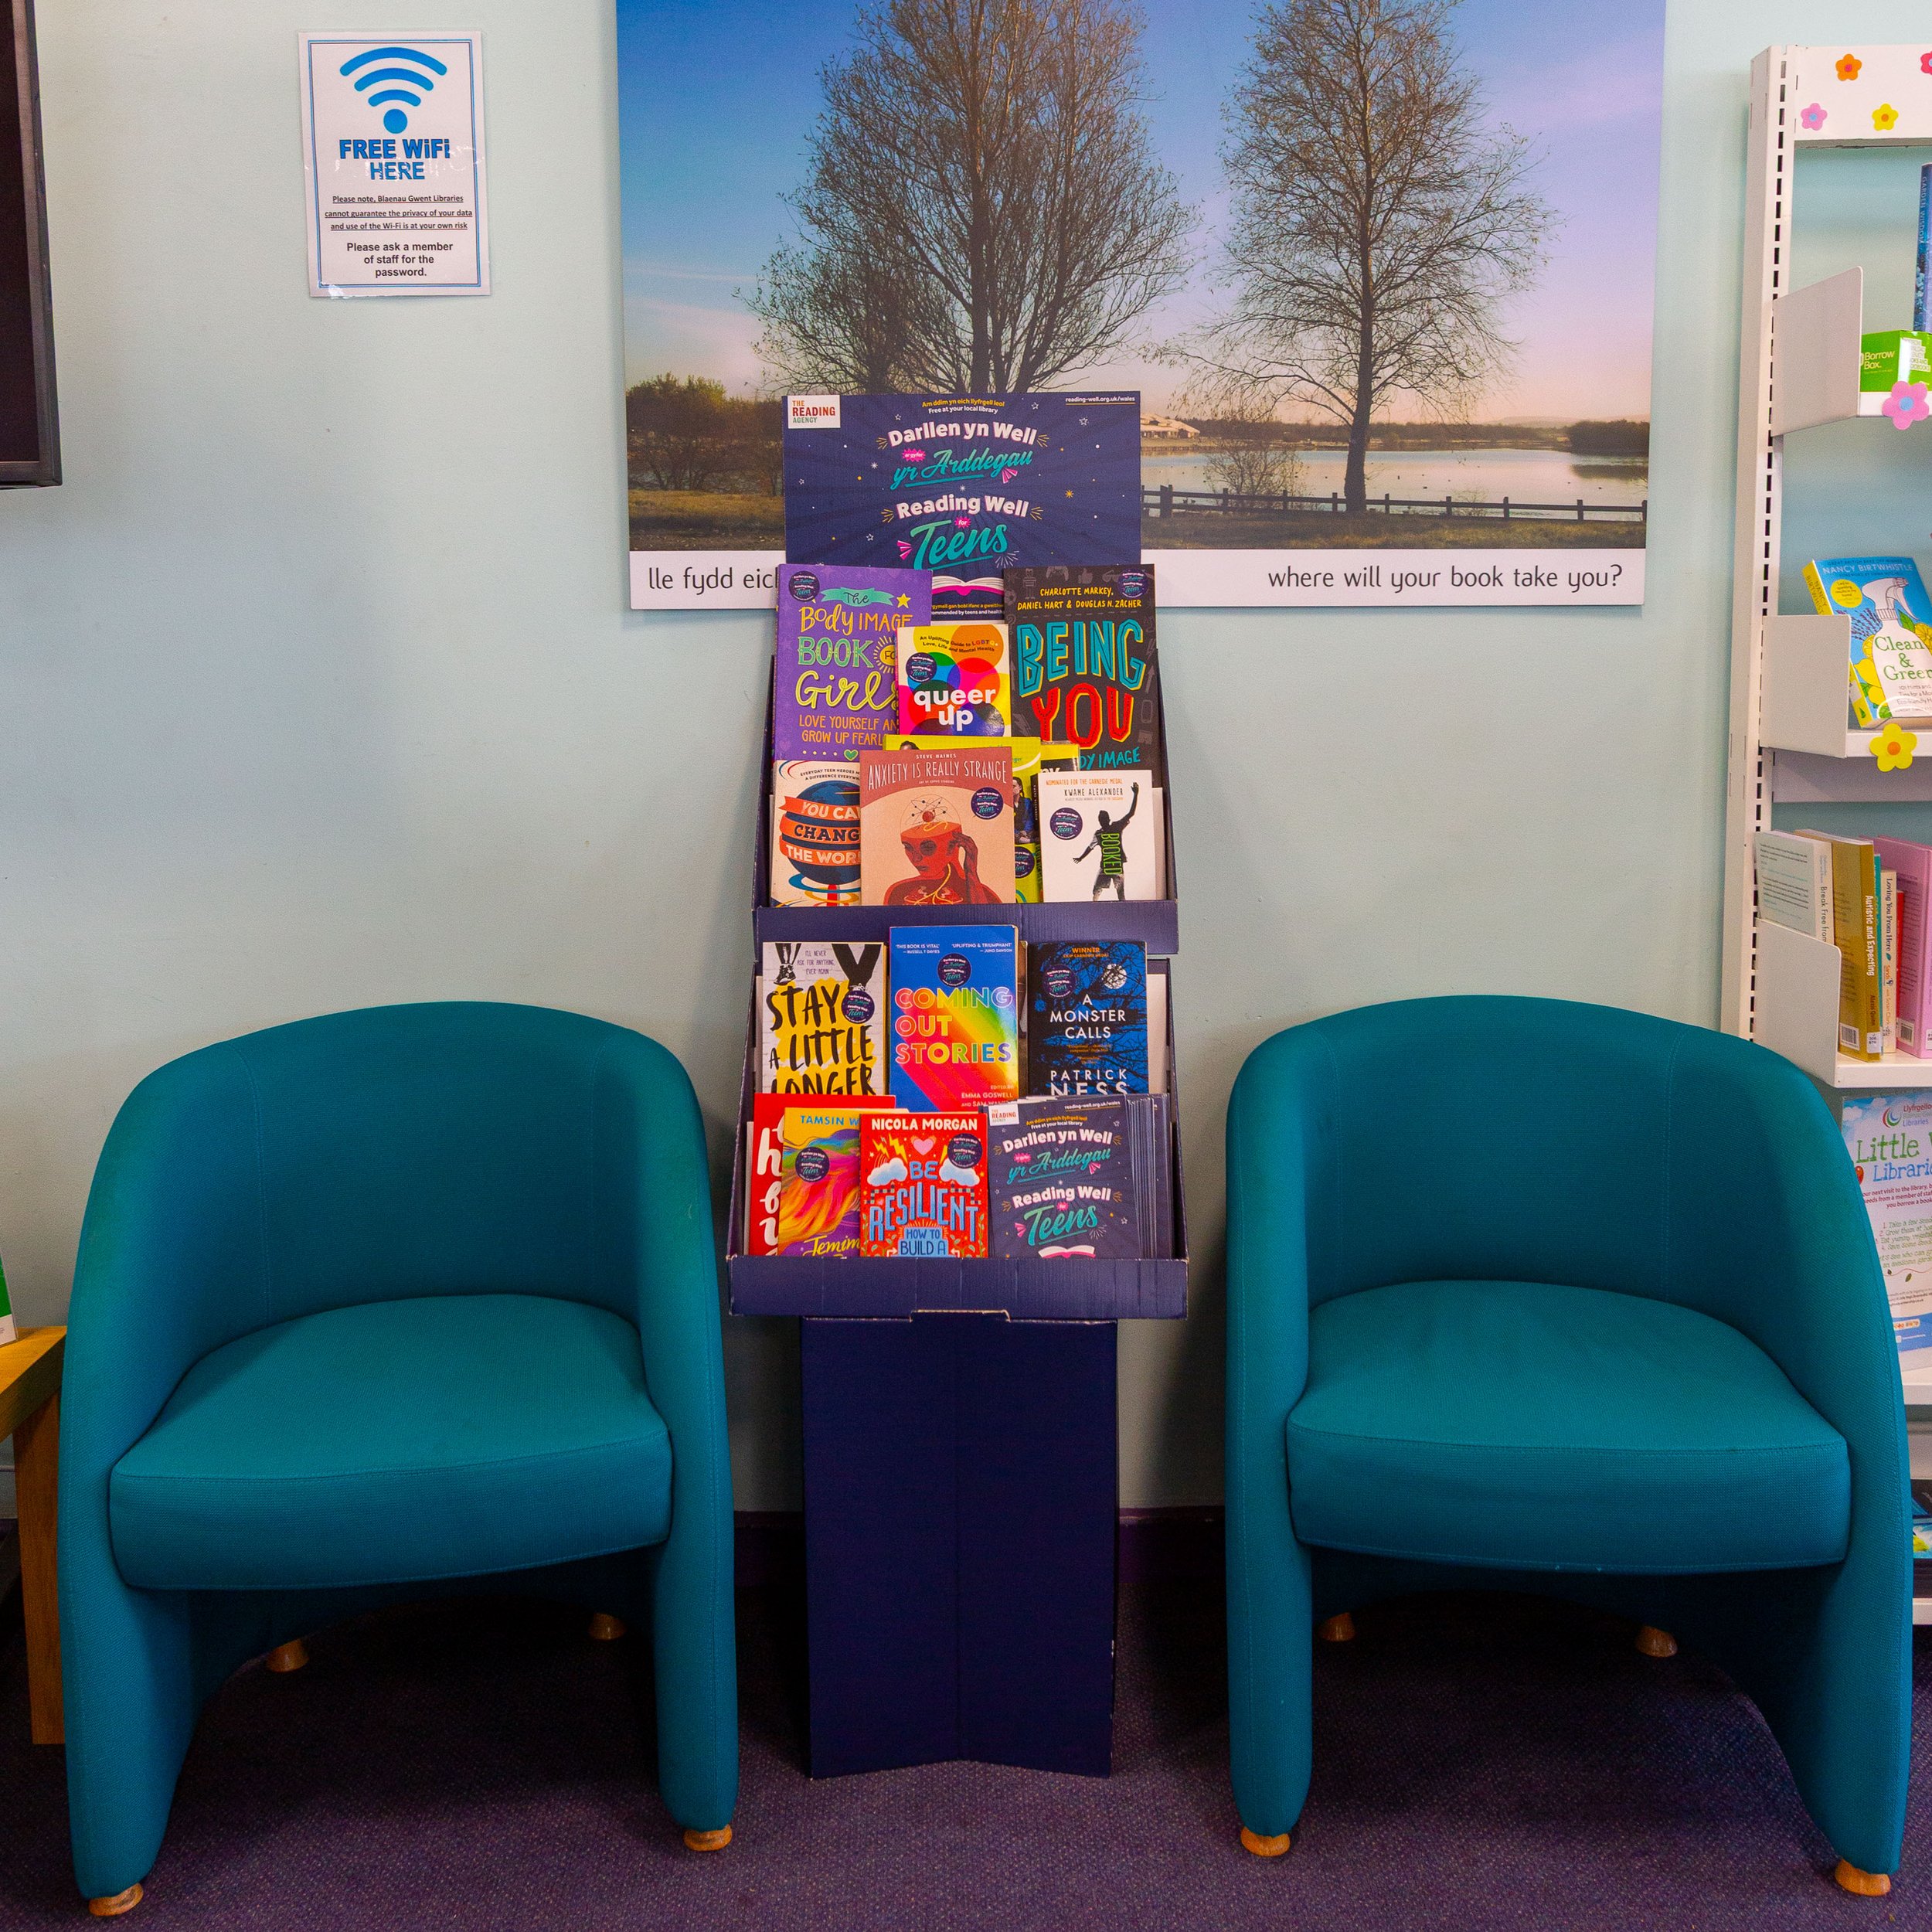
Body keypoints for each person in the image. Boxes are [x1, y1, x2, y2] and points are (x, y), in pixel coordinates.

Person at [1073, 783, 1139, 900]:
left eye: (1103, 819)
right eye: (1101, 820)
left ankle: (1122, 911)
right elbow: (1090, 847)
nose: (1102, 821)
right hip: (1107, 866)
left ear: (1108, 819)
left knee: (1119, 892)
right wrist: (1081, 858)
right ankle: (1096, 909)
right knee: (1098, 891)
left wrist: (1136, 794)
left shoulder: (1115, 827)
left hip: (1116, 866)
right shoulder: (1100, 833)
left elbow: (1131, 814)